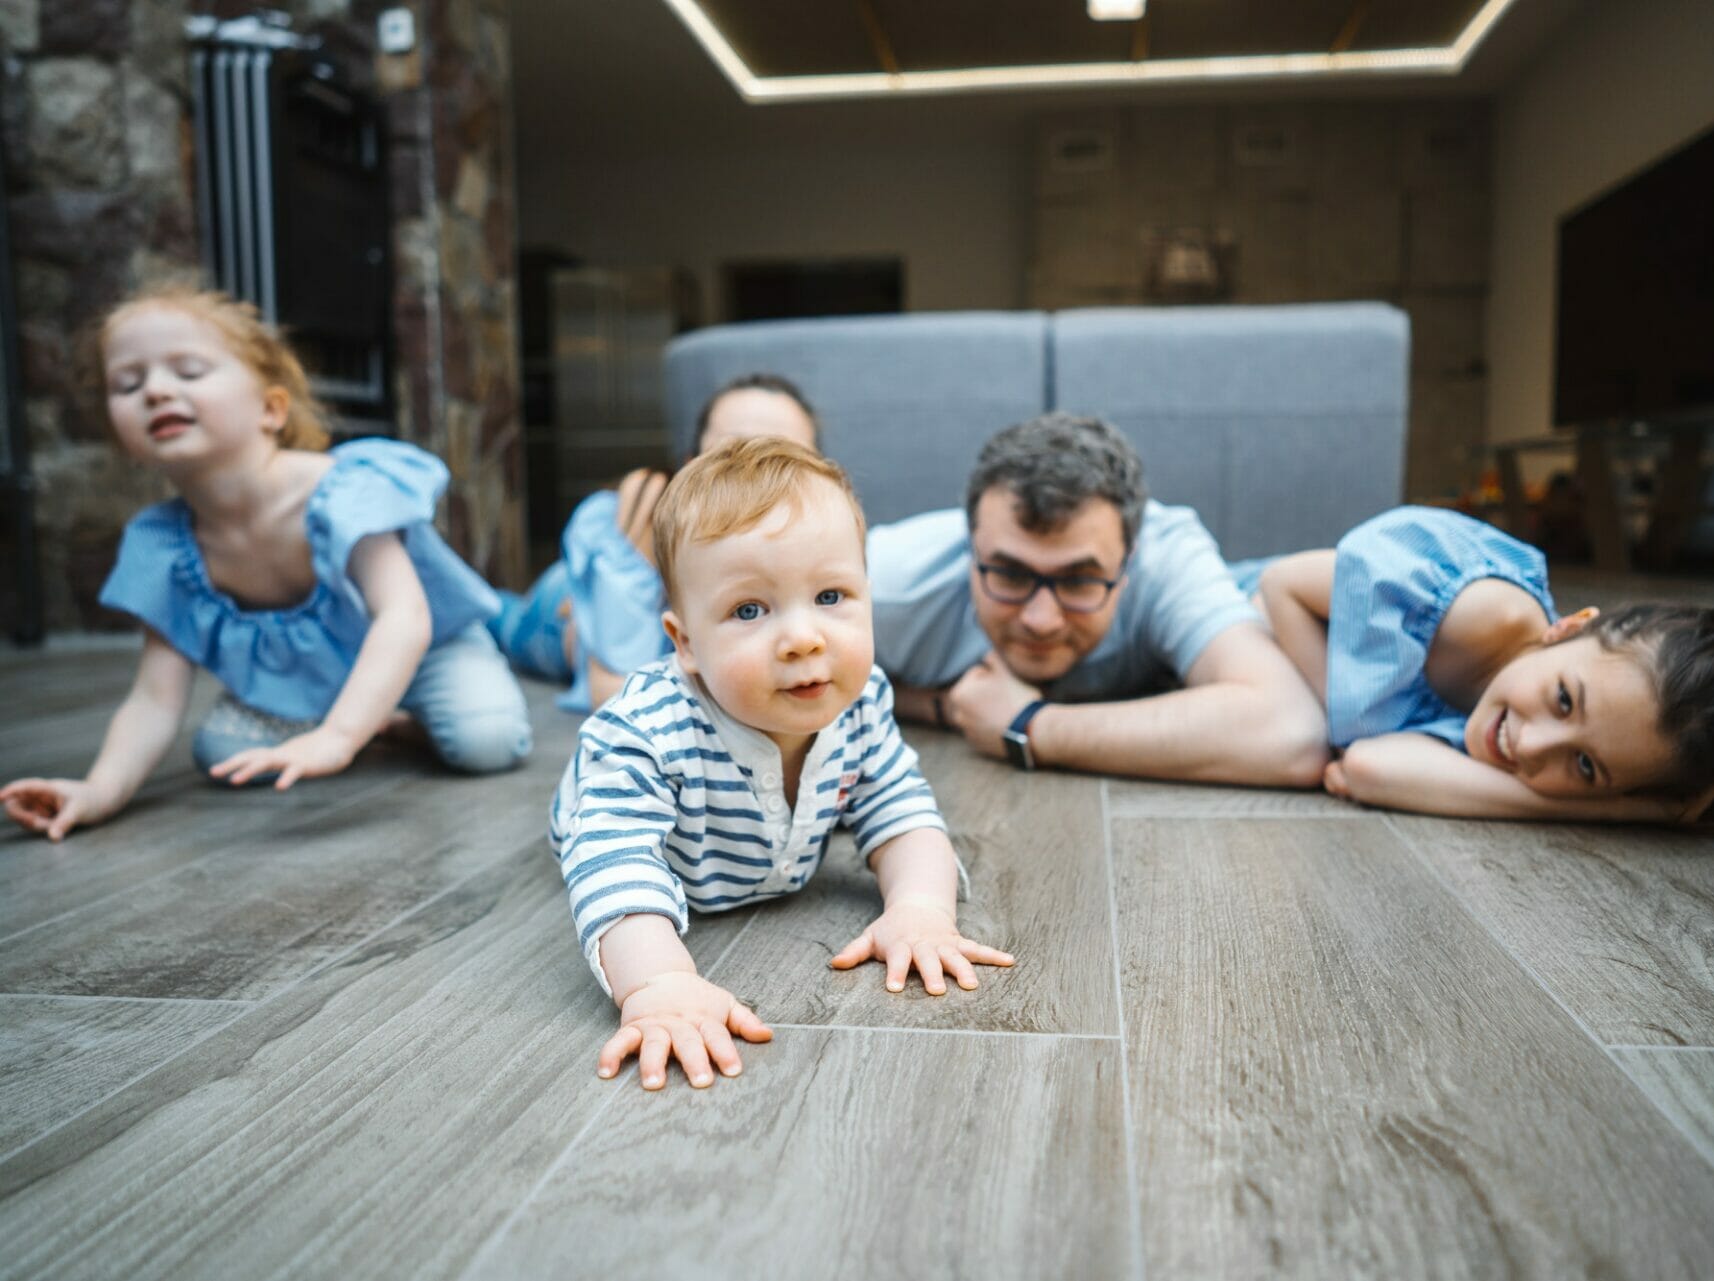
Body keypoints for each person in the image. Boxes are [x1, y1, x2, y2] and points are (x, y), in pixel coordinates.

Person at [550, 437, 1013, 1091]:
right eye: (749, 610)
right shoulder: (644, 734)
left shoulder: (860, 703)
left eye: (831, 596)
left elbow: (902, 809)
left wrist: (920, 909)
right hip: (606, 817)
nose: (804, 637)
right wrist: (659, 982)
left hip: (748, 840)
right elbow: (615, 861)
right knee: (597, 835)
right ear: (685, 643)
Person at [1, 286, 531, 842]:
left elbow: (404, 617)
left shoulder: (341, 489)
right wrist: (97, 792)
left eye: (187, 371)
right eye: (128, 384)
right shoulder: (164, 546)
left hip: (428, 651)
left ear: (271, 409)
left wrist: (342, 736)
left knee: (486, 742)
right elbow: (155, 697)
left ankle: (381, 718)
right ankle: (367, 717)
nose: (155, 391)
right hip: (310, 677)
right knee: (222, 753)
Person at [1250, 505, 1714, 826]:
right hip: (1223, 614)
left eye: (1588, 768)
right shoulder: (1477, 615)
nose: (1531, 747)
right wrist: (1331, 717)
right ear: (1568, 627)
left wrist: (1616, 813)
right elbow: (1281, 584)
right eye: (1565, 699)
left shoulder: (1517, 728)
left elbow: (1368, 765)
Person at [868, 412, 1326, 787]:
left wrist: (1028, 724)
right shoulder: (887, 587)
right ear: (969, 549)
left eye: (1079, 582)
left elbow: (1293, 732)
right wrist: (939, 706)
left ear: (1129, 565)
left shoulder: (1167, 558)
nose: (1041, 620)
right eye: (1009, 575)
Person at [491, 374, 819, 712]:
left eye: (784, 459)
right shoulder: (634, 530)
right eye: (731, 454)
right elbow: (613, 692)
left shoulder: (828, 540)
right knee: (496, 615)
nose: (755, 476)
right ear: (691, 466)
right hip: (562, 612)